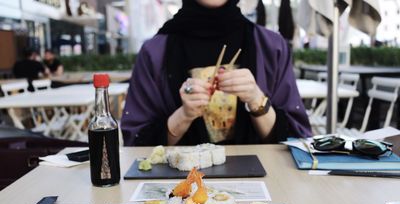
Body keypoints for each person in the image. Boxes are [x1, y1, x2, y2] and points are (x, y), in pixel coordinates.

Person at [121, 0, 311, 146]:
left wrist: (256, 99)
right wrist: (184, 115)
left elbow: (297, 141)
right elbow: (137, 142)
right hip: (177, 190)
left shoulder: (272, 47)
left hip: (263, 189)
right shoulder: (154, 52)